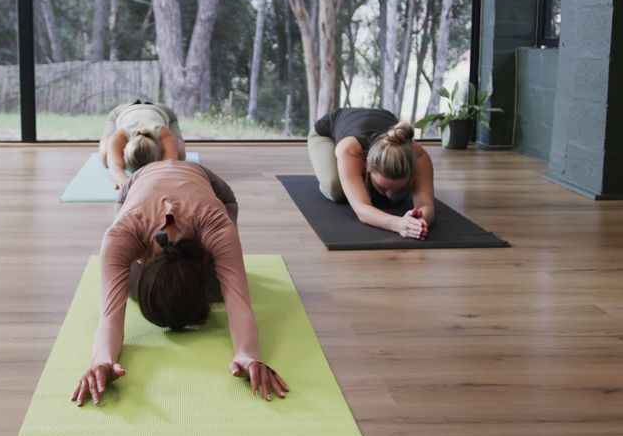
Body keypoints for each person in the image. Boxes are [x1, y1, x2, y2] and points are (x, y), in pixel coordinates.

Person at [71, 160, 288, 406]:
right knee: (128, 286)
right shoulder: (120, 234)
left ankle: (205, 280)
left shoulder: (217, 225)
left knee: (219, 291)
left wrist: (248, 354)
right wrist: (101, 360)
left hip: (211, 189)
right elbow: (109, 317)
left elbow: (239, 303)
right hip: (136, 187)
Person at [308, 107, 436, 240]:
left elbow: (427, 206)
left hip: (380, 117)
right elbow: (361, 209)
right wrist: (398, 224)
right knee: (336, 188)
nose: (390, 196)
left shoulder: (419, 157)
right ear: (366, 164)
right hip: (327, 133)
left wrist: (419, 222)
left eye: (397, 188)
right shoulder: (350, 151)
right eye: (384, 188)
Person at [98, 100, 186, 189]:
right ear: (124, 150)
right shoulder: (119, 136)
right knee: (105, 156)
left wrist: (156, 179)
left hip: (161, 111)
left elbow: (168, 166)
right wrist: (121, 179)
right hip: (123, 111)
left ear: (159, 151)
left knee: (180, 155)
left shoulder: (164, 134)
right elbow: (114, 165)